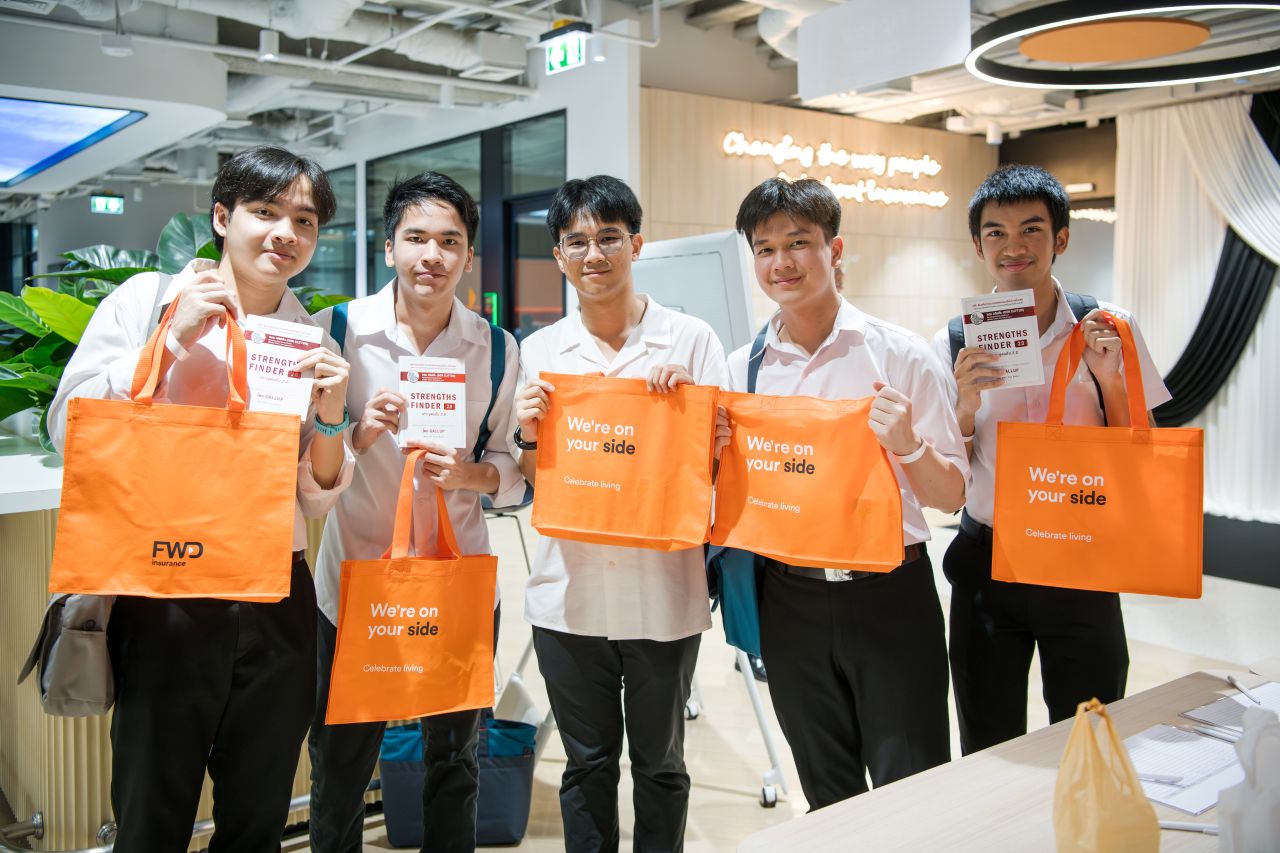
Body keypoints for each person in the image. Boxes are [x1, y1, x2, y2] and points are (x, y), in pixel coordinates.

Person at [47, 145, 354, 853]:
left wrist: (334, 414)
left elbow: (312, 497)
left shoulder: (307, 337)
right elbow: (70, 430)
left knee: (258, 814)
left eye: (304, 221)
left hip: (276, 589)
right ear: (222, 216)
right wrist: (169, 341)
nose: (286, 233)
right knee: (152, 813)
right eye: (266, 211)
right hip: (168, 590)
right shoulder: (148, 301)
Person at [727, 177, 967, 810]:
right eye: (765, 249)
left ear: (834, 249)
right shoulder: (741, 370)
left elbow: (952, 496)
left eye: (797, 243)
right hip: (789, 600)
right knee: (826, 794)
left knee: (911, 789)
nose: (781, 263)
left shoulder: (901, 355)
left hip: (890, 595)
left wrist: (908, 445)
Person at [307, 172, 524, 853]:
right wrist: (357, 432)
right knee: (340, 760)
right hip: (355, 584)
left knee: (454, 760)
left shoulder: (496, 348)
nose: (433, 255)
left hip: (456, 583)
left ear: (468, 255)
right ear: (389, 247)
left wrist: (468, 474)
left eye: (450, 241)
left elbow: (511, 470)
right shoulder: (336, 331)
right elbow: (301, 465)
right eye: (417, 238)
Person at [512, 175, 726, 852]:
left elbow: (721, 466)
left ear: (637, 244)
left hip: (664, 592)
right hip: (568, 596)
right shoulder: (538, 352)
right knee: (586, 764)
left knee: (661, 764)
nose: (594, 254)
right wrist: (527, 435)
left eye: (608, 237)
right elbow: (533, 479)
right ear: (559, 255)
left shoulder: (690, 342)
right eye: (576, 241)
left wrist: (688, 414)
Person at [933, 164, 1172, 755]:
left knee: (1089, 735)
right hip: (988, 559)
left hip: (1081, 557)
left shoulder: (1109, 326)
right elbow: (945, 472)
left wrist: (1109, 377)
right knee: (988, 741)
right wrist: (965, 405)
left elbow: (1143, 451)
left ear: (1060, 238)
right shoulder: (955, 340)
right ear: (978, 245)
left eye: (1031, 229)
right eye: (996, 233)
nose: (1013, 246)